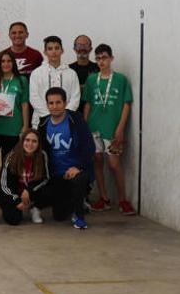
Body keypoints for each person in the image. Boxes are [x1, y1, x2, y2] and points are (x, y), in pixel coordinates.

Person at [83, 44, 135, 215]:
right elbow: (88, 104)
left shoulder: (121, 80)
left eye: (104, 57)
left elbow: (126, 105)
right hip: (94, 128)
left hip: (112, 129)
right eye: (98, 58)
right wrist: (84, 126)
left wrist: (120, 129)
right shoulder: (91, 80)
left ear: (111, 58)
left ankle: (123, 200)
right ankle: (104, 198)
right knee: (97, 161)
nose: (101, 61)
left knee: (114, 164)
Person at [38, 87, 94, 230]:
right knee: (59, 216)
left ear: (65, 103)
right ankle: (73, 201)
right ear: (47, 105)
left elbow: (89, 146)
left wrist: (78, 167)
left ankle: (79, 215)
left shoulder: (76, 120)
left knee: (79, 179)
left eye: (58, 102)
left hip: (75, 172)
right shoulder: (43, 123)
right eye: (51, 103)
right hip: (55, 175)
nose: (55, 106)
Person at [0, 50, 30, 196]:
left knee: (8, 163)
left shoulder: (21, 80)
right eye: (2, 61)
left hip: (13, 128)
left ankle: (4, 191)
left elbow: (24, 104)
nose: (6, 64)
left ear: (13, 63)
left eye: (9, 61)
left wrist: (25, 126)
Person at [0, 130, 52, 225]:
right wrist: (17, 200)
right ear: (22, 141)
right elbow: (4, 185)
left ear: (38, 144)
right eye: (27, 140)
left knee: (51, 188)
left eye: (34, 141)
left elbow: (46, 178)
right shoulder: (11, 157)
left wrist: (28, 190)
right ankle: (20, 206)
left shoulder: (42, 155)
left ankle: (35, 208)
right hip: (13, 193)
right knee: (14, 219)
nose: (30, 144)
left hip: (31, 191)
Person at [29, 36, 80, 127]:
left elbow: (75, 98)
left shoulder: (71, 73)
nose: (53, 52)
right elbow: (34, 98)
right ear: (45, 52)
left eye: (57, 48)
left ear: (62, 50)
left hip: (66, 121)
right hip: (41, 121)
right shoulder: (36, 73)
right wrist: (49, 115)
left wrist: (63, 116)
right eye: (50, 49)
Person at [70, 34, 99, 113]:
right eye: (79, 45)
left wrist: (79, 87)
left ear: (90, 49)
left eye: (85, 45)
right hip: (74, 112)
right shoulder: (68, 70)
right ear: (74, 49)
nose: (82, 48)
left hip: (94, 112)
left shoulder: (98, 69)